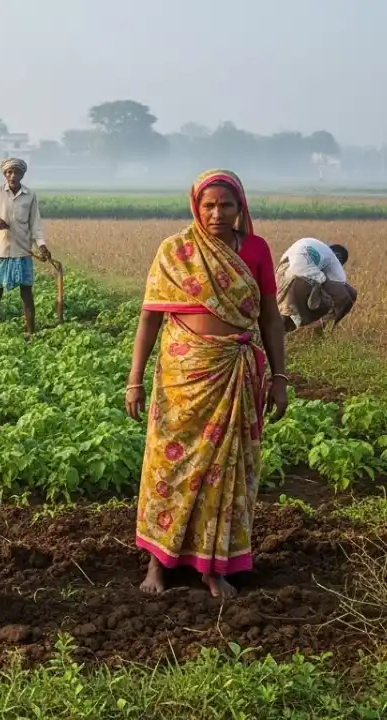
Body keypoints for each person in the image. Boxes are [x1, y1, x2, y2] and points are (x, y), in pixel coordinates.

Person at [125, 169, 288, 601]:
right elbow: (149, 318)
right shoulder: (175, 251)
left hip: (235, 373)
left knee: (225, 471)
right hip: (182, 377)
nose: (217, 214)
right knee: (170, 467)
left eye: (226, 205)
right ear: (196, 206)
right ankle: (158, 561)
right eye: (208, 205)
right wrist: (133, 380)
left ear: (240, 208)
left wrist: (281, 377)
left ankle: (213, 567)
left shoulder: (255, 250)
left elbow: (270, 317)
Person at [0, 158, 51, 335]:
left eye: (16, 172)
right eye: (9, 172)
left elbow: (35, 224)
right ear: (4, 174)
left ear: (22, 174)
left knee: (27, 294)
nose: (12, 175)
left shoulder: (30, 195)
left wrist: (42, 246)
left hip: (22, 251)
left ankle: (30, 333)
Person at [275, 237, 357, 332]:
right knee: (292, 315)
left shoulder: (318, 254)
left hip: (285, 272)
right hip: (296, 276)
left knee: (287, 313)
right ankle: (307, 332)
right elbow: (343, 296)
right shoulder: (328, 265)